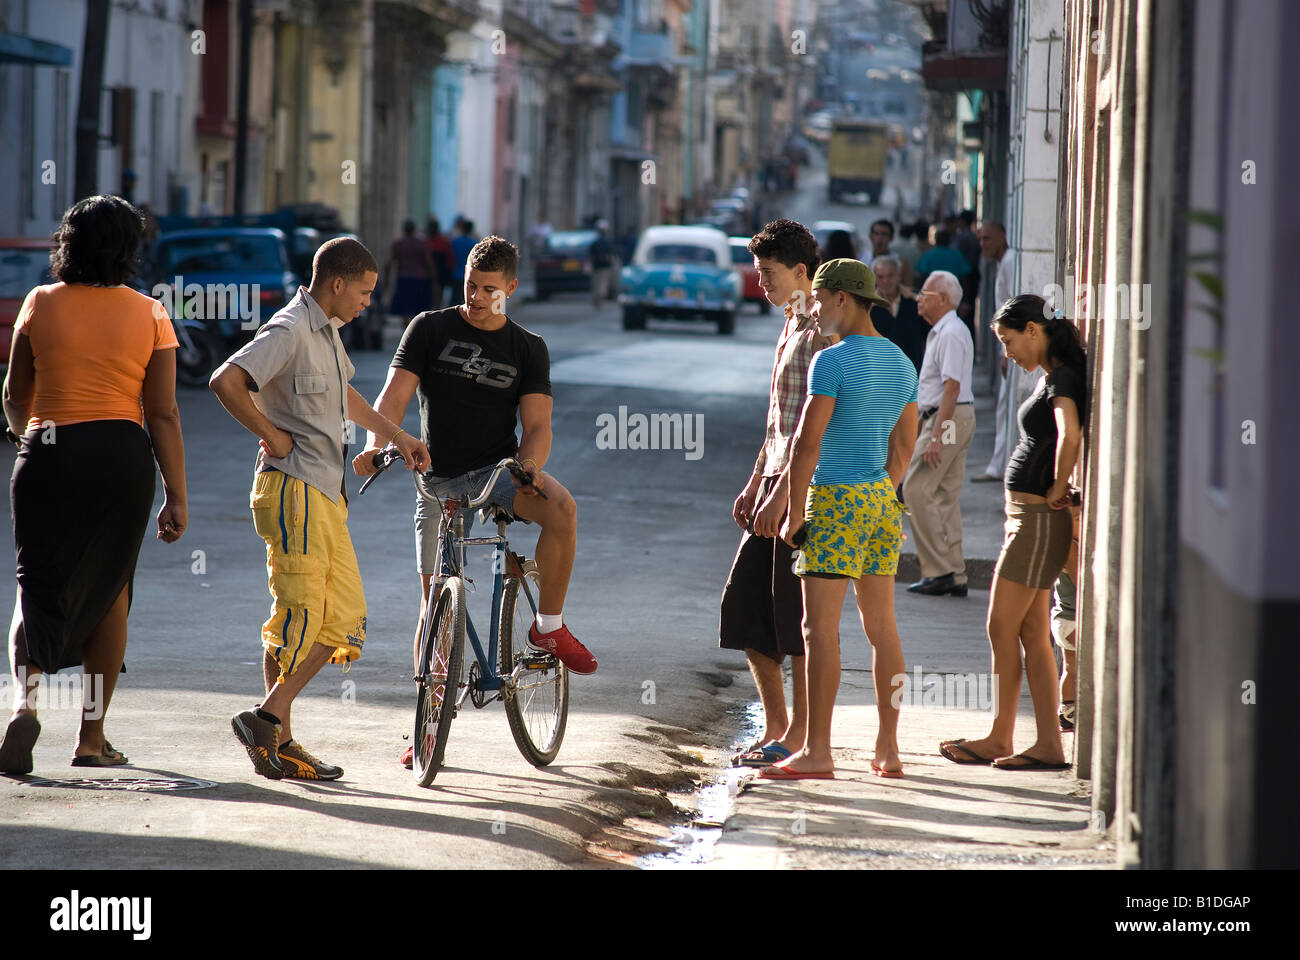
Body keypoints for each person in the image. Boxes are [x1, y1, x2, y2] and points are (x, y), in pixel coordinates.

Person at [354, 236, 598, 769]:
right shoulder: (430, 327)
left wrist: (528, 468)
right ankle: (427, 719)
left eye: (489, 289)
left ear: (511, 288)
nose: (477, 296)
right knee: (434, 604)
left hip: (496, 474)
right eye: (470, 285)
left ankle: (549, 626)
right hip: (434, 477)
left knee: (563, 508)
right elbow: (393, 397)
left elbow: (537, 426)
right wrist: (377, 445)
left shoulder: (527, 347)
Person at [210, 238, 431, 780]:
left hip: (326, 496)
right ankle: (275, 734)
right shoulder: (288, 329)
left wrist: (397, 436)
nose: (367, 302)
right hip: (292, 490)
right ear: (337, 283)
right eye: (364, 291)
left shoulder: (327, 332)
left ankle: (270, 722)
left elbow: (345, 398)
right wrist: (272, 435)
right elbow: (226, 381)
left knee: (343, 620)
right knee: (298, 619)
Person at [0, 195, 188, 774]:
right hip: (118, 457)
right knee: (111, 593)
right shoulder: (150, 313)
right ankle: (91, 738)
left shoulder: (39, 303)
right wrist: (176, 494)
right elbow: (162, 413)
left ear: (68, 243)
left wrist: (30, 441)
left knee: (36, 583)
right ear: (129, 250)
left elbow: (13, 395)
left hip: (48, 451)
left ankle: (24, 706)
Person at [759, 259, 919, 780]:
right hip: (879, 500)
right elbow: (906, 441)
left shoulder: (832, 361)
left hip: (834, 498)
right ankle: (888, 750)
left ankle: (819, 752)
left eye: (822, 299)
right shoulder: (901, 362)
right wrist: (886, 488)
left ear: (843, 299)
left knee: (818, 631)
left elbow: (807, 445)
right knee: (882, 628)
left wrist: (795, 510)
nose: (817, 309)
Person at [939, 294, 1087, 770]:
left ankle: (1001, 736)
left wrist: (1061, 485)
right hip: (1028, 520)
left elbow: (1070, 432)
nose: (1007, 353)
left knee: (1000, 625)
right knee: (1026, 631)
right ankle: (1046, 744)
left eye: (1008, 341)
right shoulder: (1053, 374)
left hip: (1038, 521)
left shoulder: (1063, 377)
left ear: (1033, 330)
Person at [722, 219, 827, 768]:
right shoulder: (789, 323)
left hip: (803, 490)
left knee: (796, 622)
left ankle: (802, 737)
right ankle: (778, 725)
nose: (760, 283)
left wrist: (784, 494)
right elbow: (778, 424)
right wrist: (753, 483)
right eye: (758, 272)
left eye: (768, 273)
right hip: (773, 480)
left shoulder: (821, 332)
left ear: (801, 272)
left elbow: (814, 429)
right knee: (745, 610)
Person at [903, 270, 976, 597]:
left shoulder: (949, 333)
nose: (919, 299)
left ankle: (940, 571)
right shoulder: (946, 331)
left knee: (916, 487)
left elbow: (951, 388)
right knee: (944, 495)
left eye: (925, 295)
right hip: (951, 417)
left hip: (947, 419)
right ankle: (955, 573)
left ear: (944, 300)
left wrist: (935, 437)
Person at [974, 220, 1019, 482]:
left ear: (1002, 237)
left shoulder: (1012, 259)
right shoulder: (1002, 262)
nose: (983, 244)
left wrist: (1006, 352)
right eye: (980, 239)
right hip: (1007, 344)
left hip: (1012, 346)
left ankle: (1000, 467)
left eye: (988, 239)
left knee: (1006, 405)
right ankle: (998, 466)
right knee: (1004, 407)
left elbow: (1012, 307)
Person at [869, 255, 926, 374]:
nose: (885, 281)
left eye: (890, 275)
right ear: (874, 279)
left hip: (913, 372)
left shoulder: (915, 301)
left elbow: (927, 335)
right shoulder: (868, 307)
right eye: (880, 277)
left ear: (898, 276)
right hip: (881, 374)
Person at [386, 220, 436, 323]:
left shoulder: (399, 244)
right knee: (418, 306)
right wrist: (434, 278)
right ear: (414, 230)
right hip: (419, 278)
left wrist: (386, 279)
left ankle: (406, 327)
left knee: (404, 307)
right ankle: (416, 326)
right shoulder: (421, 243)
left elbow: (390, 262)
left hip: (404, 277)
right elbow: (428, 262)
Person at [448, 219, 478, 306]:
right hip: (470, 276)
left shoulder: (454, 242)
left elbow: (450, 258)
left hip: (456, 274)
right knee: (467, 301)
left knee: (454, 301)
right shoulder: (474, 244)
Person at [426, 217, 453, 309]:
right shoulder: (443, 241)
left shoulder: (426, 241)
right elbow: (449, 259)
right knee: (436, 294)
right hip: (437, 273)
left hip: (434, 273)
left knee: (434, 294)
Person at [590, 220, 617, 310]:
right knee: (602, 285)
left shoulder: (597, 242)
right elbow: (612, 255)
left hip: (598, 266)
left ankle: (598, 299)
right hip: (603, 267)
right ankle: (599, 299)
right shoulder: (605, 242)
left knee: (598, 284)